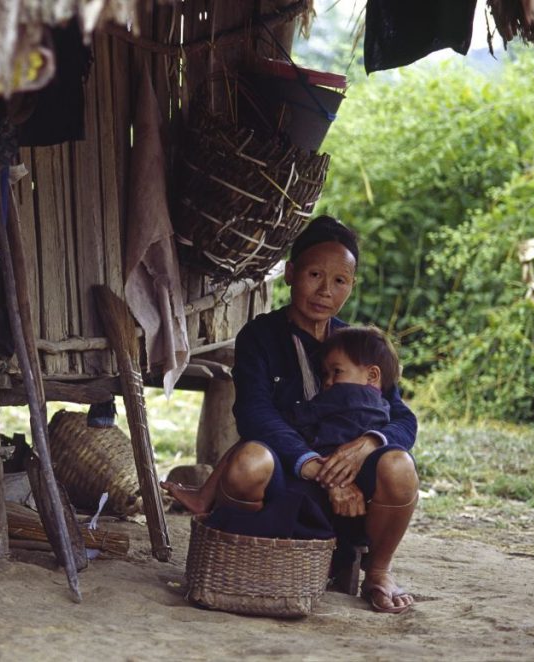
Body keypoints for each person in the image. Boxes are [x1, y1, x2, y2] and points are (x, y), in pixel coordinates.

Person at [163, 215, 419, 614]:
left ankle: (378, 571)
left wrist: (368, 445)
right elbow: (254, 414)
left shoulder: (359, 344)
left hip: (355, 484)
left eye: (340, 281)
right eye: (315, 274)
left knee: (399, 466)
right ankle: (251, 563)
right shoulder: (260, 337)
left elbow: (402, 417)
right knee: (248, 462)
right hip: (288, 475)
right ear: (290, 272)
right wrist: (314, 466)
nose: (325, 291)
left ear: (351, 286)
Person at [289, 325, 399, 461]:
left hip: (326, 458)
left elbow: (301, 416)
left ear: (372, 375)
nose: (328, 381)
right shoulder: (385, 406)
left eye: (337, 371)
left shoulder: (343, 393)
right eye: (326, 374)